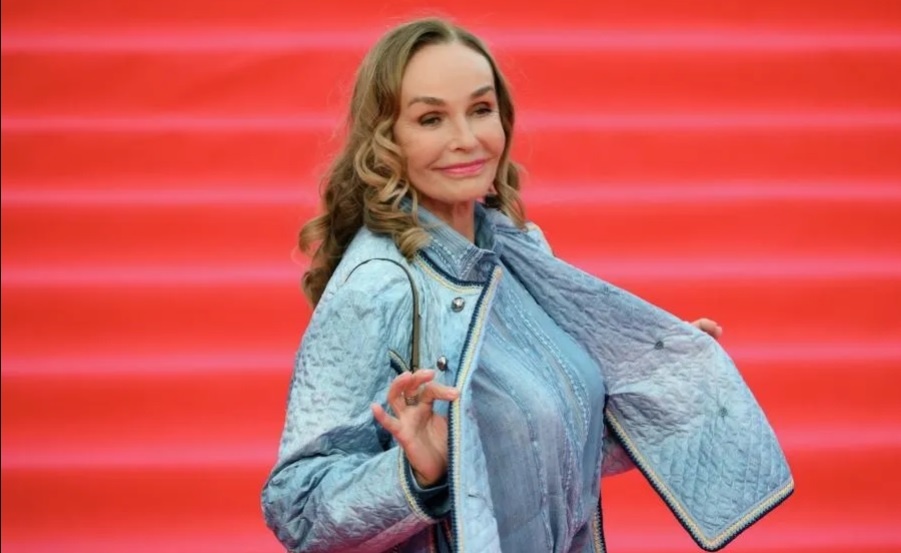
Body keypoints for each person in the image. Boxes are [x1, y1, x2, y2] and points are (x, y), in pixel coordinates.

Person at [261, 17, 793, 553]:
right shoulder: (377, 285)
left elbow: (543, 453)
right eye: (431, 119)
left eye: (480, 109)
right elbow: (297, 507)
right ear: (387, 139)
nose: (466, 139)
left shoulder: (517, 253)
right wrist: (419, 476)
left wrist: (660, 387)